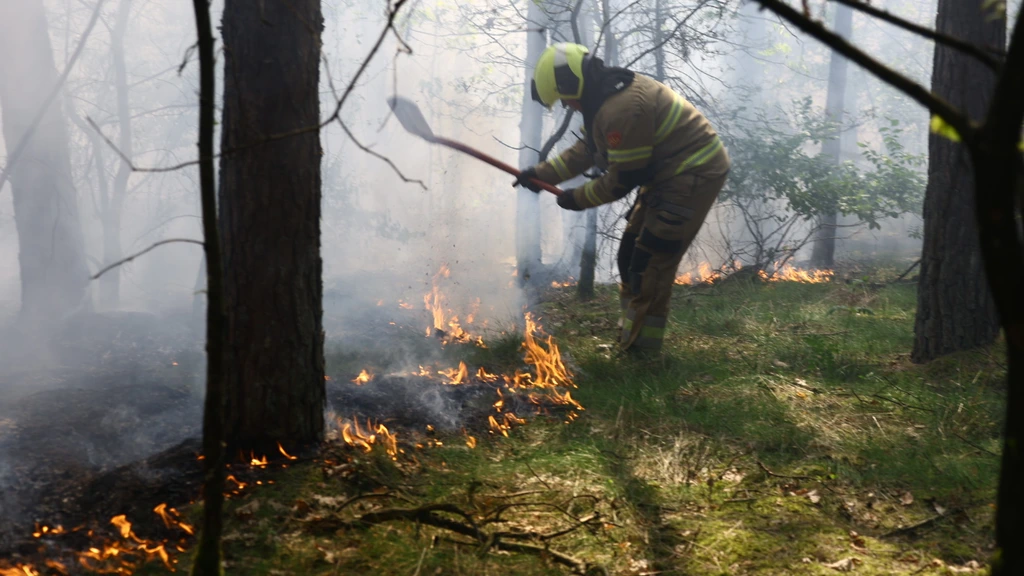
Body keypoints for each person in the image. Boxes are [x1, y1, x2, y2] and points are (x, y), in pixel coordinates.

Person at [514, 42, 730, 354]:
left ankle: (641, 357)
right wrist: (541, 174)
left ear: (573, 83)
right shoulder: (604, 98)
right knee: (629, 256)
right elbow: (588, 150)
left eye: (565, 98)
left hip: (692, 176)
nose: (567, 105)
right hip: (666, 175)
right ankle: (630, 341)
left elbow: (622, 181)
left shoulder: (622, 109)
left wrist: (577, 198)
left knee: (650, 264)